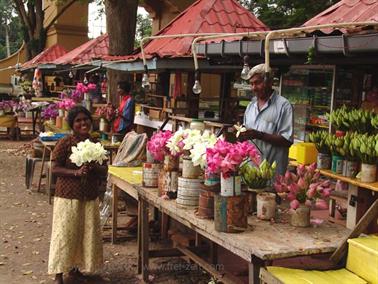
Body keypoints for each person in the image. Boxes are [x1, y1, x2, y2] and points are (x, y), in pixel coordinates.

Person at [48, 106, 108, 284]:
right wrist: (76, 173)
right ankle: (59, 274)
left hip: (88, 195)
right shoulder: (65, 142)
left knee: (83, 233)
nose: (83, 123)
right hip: (67, 195)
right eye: (78, 121)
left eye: (86, 119)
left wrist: (93, 167)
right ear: (72, 125)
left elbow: (104, 169)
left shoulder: (95, 143)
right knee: (64, 234)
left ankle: (75, 270)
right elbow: (54, 167)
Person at [238, 64, 294, 175]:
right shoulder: (251, 106)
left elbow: (287, 141)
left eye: (257, 83)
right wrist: (241, 135)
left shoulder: (283, 106)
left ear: (269, 82)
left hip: (272, 174)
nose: (254, 87)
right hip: (250, 172)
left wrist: (259, 135)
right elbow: (246, 136)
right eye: (251, 84)